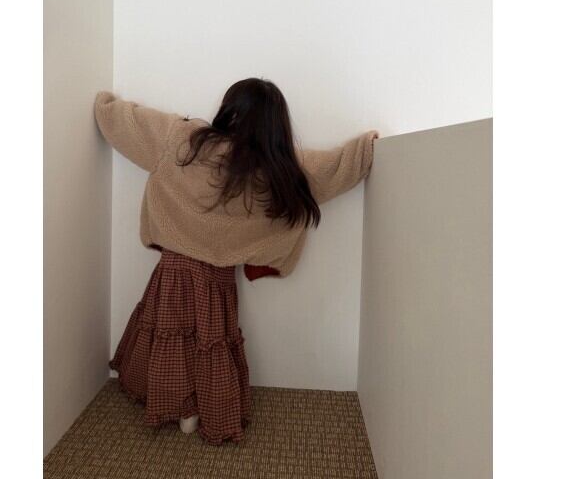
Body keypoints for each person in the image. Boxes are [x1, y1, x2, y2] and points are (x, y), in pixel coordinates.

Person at [94, 77, 379, 445]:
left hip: (173, 271)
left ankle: (179, 408)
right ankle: (202, 412)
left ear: (228, 108)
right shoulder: (279, 168)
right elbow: (333, 169)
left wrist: (105, 102)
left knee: (172, 338)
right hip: (217, 279)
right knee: (210, 343)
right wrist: (365, 149)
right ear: (276, 123)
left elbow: (125, 123)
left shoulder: (182, 139)